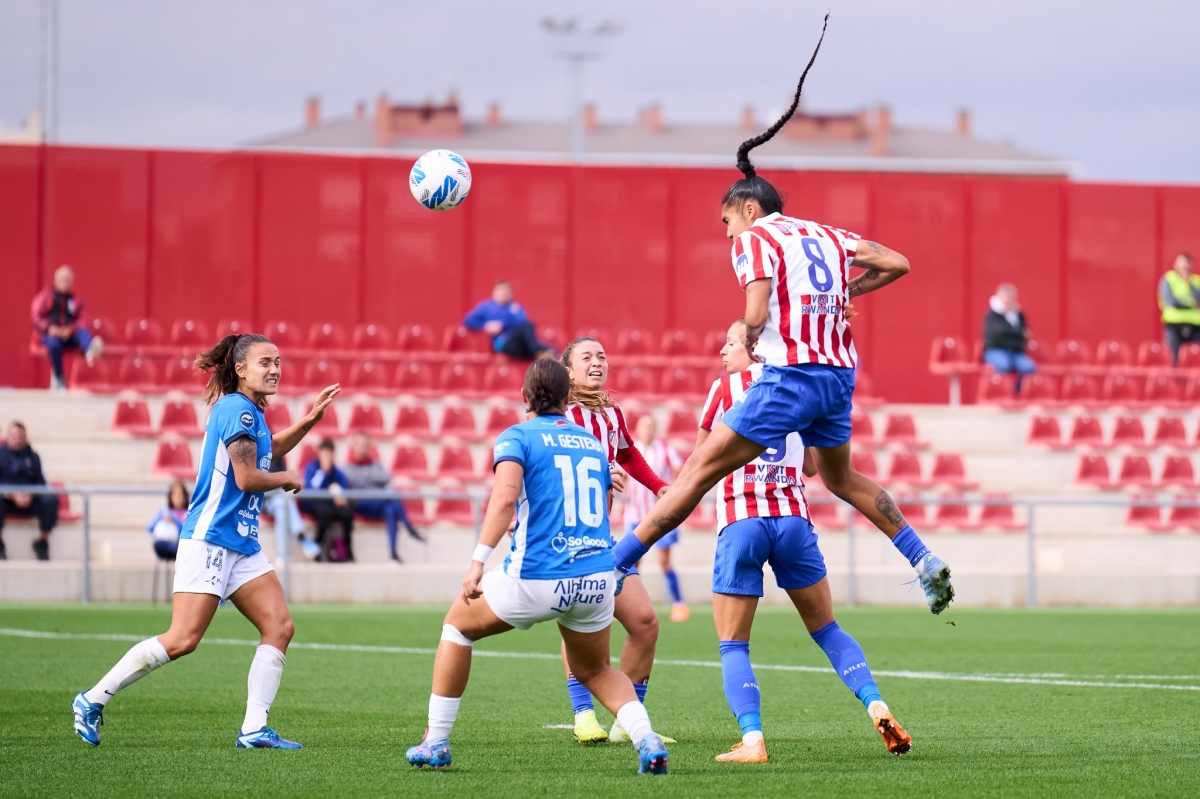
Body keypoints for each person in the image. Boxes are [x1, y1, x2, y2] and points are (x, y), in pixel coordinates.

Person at [611, 18, 955, 622]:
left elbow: (756, 308)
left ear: (746, 208)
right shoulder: (825, 232)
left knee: (696, 471)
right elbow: (897, 263)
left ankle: (611, 567)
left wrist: (745, 330)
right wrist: (850, 291)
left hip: (790, 377)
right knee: (842, 479)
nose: (726, 233)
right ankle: (923, 560)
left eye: (726, 221)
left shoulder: (752, 239)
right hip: (838, 378)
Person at [72, 333, 339, 749]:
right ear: (240, 369)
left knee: (279, 626)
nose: (274, 369)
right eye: (265, 362)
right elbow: (248, 477)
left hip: (241, 543)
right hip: (211, 538)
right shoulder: (236, 409)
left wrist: (308, 422)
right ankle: (91, 699)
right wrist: (286, 478)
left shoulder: (250, 412)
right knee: (182, 639)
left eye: (278, 362)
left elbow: (267, 452)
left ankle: (253, 729)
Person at [404, 358, 668, 775]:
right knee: (597, 669)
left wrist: (477, 562)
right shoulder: (590, 444)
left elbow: (505, 500)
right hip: (597, 576)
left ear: (524, 397)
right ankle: (646, 738)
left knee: (457, 626)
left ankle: (435, 741)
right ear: (568, 399)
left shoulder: (517, 436)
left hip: (538, 576)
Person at [699, 319, 915, 761]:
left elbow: (702, 461)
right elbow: (815, 468)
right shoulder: (805, 391)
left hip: (743, 521)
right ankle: (876, 703)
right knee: (828, 629)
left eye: (730, 343)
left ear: (755, 350)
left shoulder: (725, 389)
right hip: (794, 523)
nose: (723, 352)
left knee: (733, 643)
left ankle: (753, 740)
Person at [558, 337, 674, 745]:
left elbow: (627, 456)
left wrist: (660, 486)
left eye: (602, 356)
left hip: (604, 538)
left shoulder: (611, 413)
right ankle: (584, 714)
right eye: (586, 357)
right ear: (568, 371)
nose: (597, 362)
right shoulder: (559, 414)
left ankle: (628, 720)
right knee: (581, 622)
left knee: (644, 622)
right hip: (565, 539)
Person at [623, 414, 687, 622]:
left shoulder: (665, 450)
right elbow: (622, 475)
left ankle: (679, 604)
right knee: (631, 561)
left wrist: (675, 495)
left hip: (659, 514)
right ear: (638, 430)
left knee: (664, 561)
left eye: (651, 426)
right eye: (644, 426)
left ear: (656, 429)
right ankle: (627, 606)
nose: (647, 430)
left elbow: (682, 470)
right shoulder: (630, 451)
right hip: (635, 515)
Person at [343, 431, 424, 562]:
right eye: (360, 444)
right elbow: (355, 482)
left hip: (377, 503)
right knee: (392, 494)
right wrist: (372, 481)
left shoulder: (375, 464)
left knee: (390, 510)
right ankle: (409, 528)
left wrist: (366, 481)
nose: (363, 447)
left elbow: (385, 478)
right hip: (360, 504)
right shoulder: (348, 467)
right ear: (354, 446)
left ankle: (393, 553)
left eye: (365, 444)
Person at [31, 265, 103, 391]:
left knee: (83, 331)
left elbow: (83, 320)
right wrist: (50, 328)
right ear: (56, 281)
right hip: (50, 336)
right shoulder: (45, 297)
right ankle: (59, 378)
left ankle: (90, 351)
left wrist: (70, 329)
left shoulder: (76, 300)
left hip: (69, 336)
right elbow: (36, 317)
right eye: (62, 280)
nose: (65, 283)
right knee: (54, 345)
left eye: (68, 280)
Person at [0, 421, 60, 560]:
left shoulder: (33, 457)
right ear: (8, 436)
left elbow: (41, 482)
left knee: (51, 500)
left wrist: (30, 495)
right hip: (7, 500)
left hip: (30, 499)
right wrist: (12, 495)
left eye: (21, 436)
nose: (18, 439)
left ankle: (42, 542)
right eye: (14, 435)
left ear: (25, 437)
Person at [462, 278, 554, 359]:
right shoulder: (486, 307)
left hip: (518, 343)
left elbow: (522, 322)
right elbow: (468, 321)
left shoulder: (515, 307)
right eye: (500, 290)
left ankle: (539, 350)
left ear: (511, 294)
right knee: (536, 343)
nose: (503, 293)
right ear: (494, 291)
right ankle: (537, 350)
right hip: (503, 344)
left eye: (506, 290)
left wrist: (502, 324)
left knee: (530, 327)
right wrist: (485, 326)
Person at [300, 440, 355, 562]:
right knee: (325, 513)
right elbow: (311, 489)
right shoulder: (312, 468)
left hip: (333, 504)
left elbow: (344, 490)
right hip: (315, 503)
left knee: (347, 514)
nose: (327, 457)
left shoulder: (337, 472)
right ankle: (316, 549)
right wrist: (323, 472)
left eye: (329, 454)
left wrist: (342, 499)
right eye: (324, 453)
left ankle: (348, 550)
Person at [982, 283, 1036, 391]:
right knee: (1003, 366)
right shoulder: (992, 315)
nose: (1007, 301)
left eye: (1010, 298)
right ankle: (1000, 392)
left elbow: (1025, 334)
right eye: (1005, 298)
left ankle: (1016, 393)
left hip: (1016, 352)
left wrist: (1013, 334)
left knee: (1029, 368)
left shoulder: (1018, 315)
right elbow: (997, 335)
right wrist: (1018, 332)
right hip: (996, 350)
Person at [1159, 252, 1200, 366]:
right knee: (1173, 361)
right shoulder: (1169, 280)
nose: (1185, 267)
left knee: (1195, 363)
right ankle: (1173, 384)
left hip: (1196, 328)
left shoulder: (1196, 282)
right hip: (1174, 327)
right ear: (1176, 265)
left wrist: (1189, 284)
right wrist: (1192, 304)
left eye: (1187, 264)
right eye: (1182, 264)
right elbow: (1171, 302)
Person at [146, 481, 190, 561]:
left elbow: (186, 532)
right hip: (163, 544)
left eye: (181, 495)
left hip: (179, 543)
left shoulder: (187, 513)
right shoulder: (163, 511)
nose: (178, 497)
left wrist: (174, 521)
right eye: (175, 495)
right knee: (158, 544)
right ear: (170, 496)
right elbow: (150, 528)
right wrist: (162, 520)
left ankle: (179, 552)